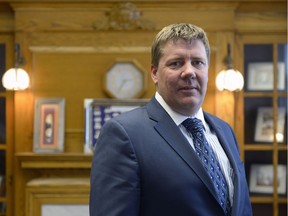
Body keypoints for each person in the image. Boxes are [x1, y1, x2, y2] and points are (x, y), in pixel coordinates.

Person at [90, 23, 252, 216]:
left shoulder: (224, 130)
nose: (189, 72)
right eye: (176, 63)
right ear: (155, 73)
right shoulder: (124, 134)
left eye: (198, 62)